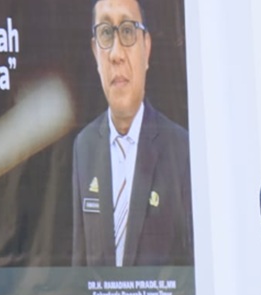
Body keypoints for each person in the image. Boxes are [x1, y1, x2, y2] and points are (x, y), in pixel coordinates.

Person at [72, 0, 193, 267]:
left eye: (127, 31)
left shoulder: (180, 148)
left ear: (146, 48)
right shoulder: (85, 146)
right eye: (105, 33)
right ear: (95, 52)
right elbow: (80, 266)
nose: (116, 54)